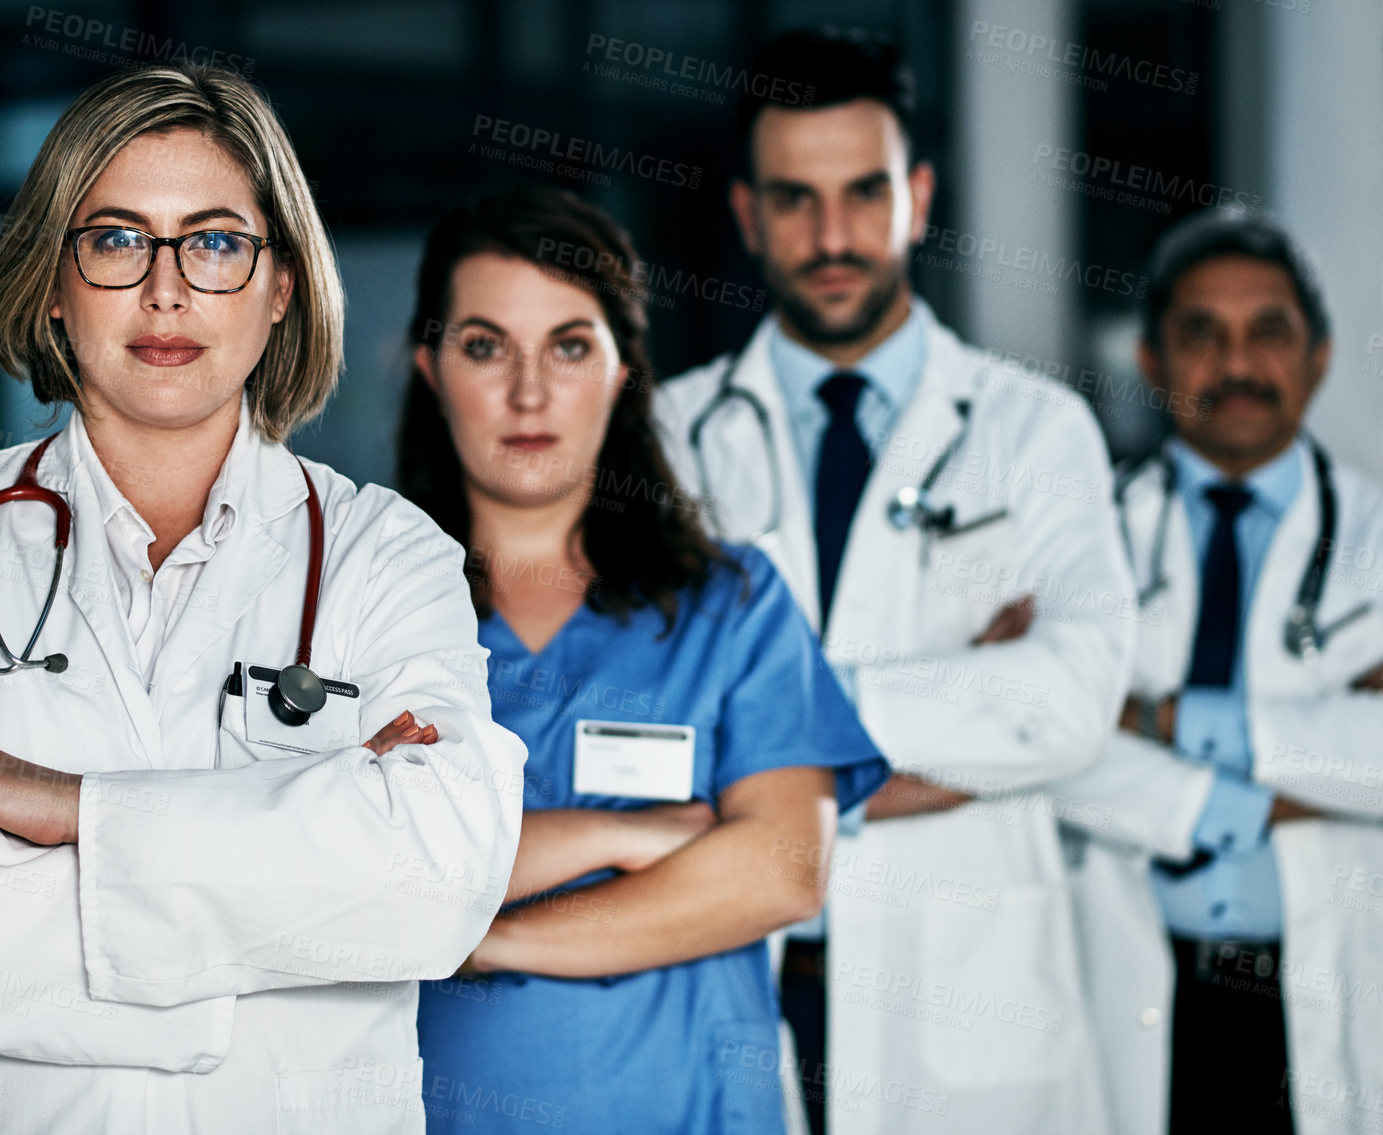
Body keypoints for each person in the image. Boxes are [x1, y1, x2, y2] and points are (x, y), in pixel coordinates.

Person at [0, 64, 526, 1134]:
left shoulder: (386, 553)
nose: (167, 289)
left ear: (280, 289)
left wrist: (69, 808)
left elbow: (437, 876)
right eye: (117, 239)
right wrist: (275, 902)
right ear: (53, 281)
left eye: (218, 242)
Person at [652, 30, 1135, 1135]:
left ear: (916, 195)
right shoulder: (666, 438)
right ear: (745, 215)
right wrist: (961, 705)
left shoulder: (1034, 428)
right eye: (794, 198)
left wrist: (765, 732)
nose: (832, 236)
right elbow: (641, 728)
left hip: (964, 998)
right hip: (736, 972)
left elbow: (1074, 703)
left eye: (864, 192)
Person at [397, 186, 888, 1134]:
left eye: (570, 345)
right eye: (485, 345)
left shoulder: (730, 604)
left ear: (623, 370)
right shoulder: (363, 613)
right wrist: (617, 836)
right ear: (431, 366)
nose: (528, 391)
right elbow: (354, 875)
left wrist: (485, 939)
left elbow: (783, 866)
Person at [1049, 212, 1383, 1135]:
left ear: (1316, 357)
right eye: (1201, 335)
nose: (1236, 364)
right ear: (1151, 360)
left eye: (1267, 332)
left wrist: (1152, 721)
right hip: (1133, 986)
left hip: (1330, 990)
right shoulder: (1074, 537)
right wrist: (1310, 768)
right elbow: (1043, 742)